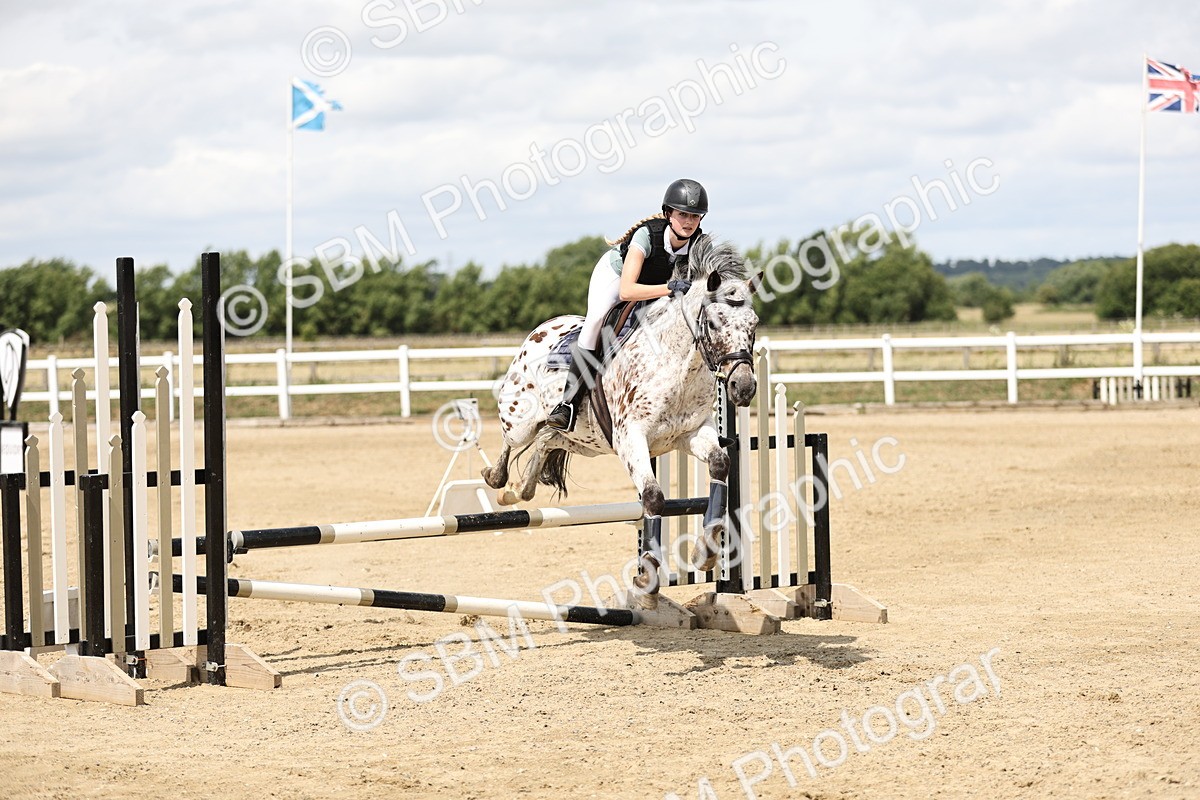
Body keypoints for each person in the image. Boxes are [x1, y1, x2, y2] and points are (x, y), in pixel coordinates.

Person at [546, 178, 708, 431]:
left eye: (695, 216)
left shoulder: (700, 244)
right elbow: (627, 290)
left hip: (659, 286)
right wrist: (669, 288)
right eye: (682, 214)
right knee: (596, 320)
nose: (689, 222)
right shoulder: (646, 236)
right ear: (668, 214)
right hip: (617, 278)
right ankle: (567, 404)